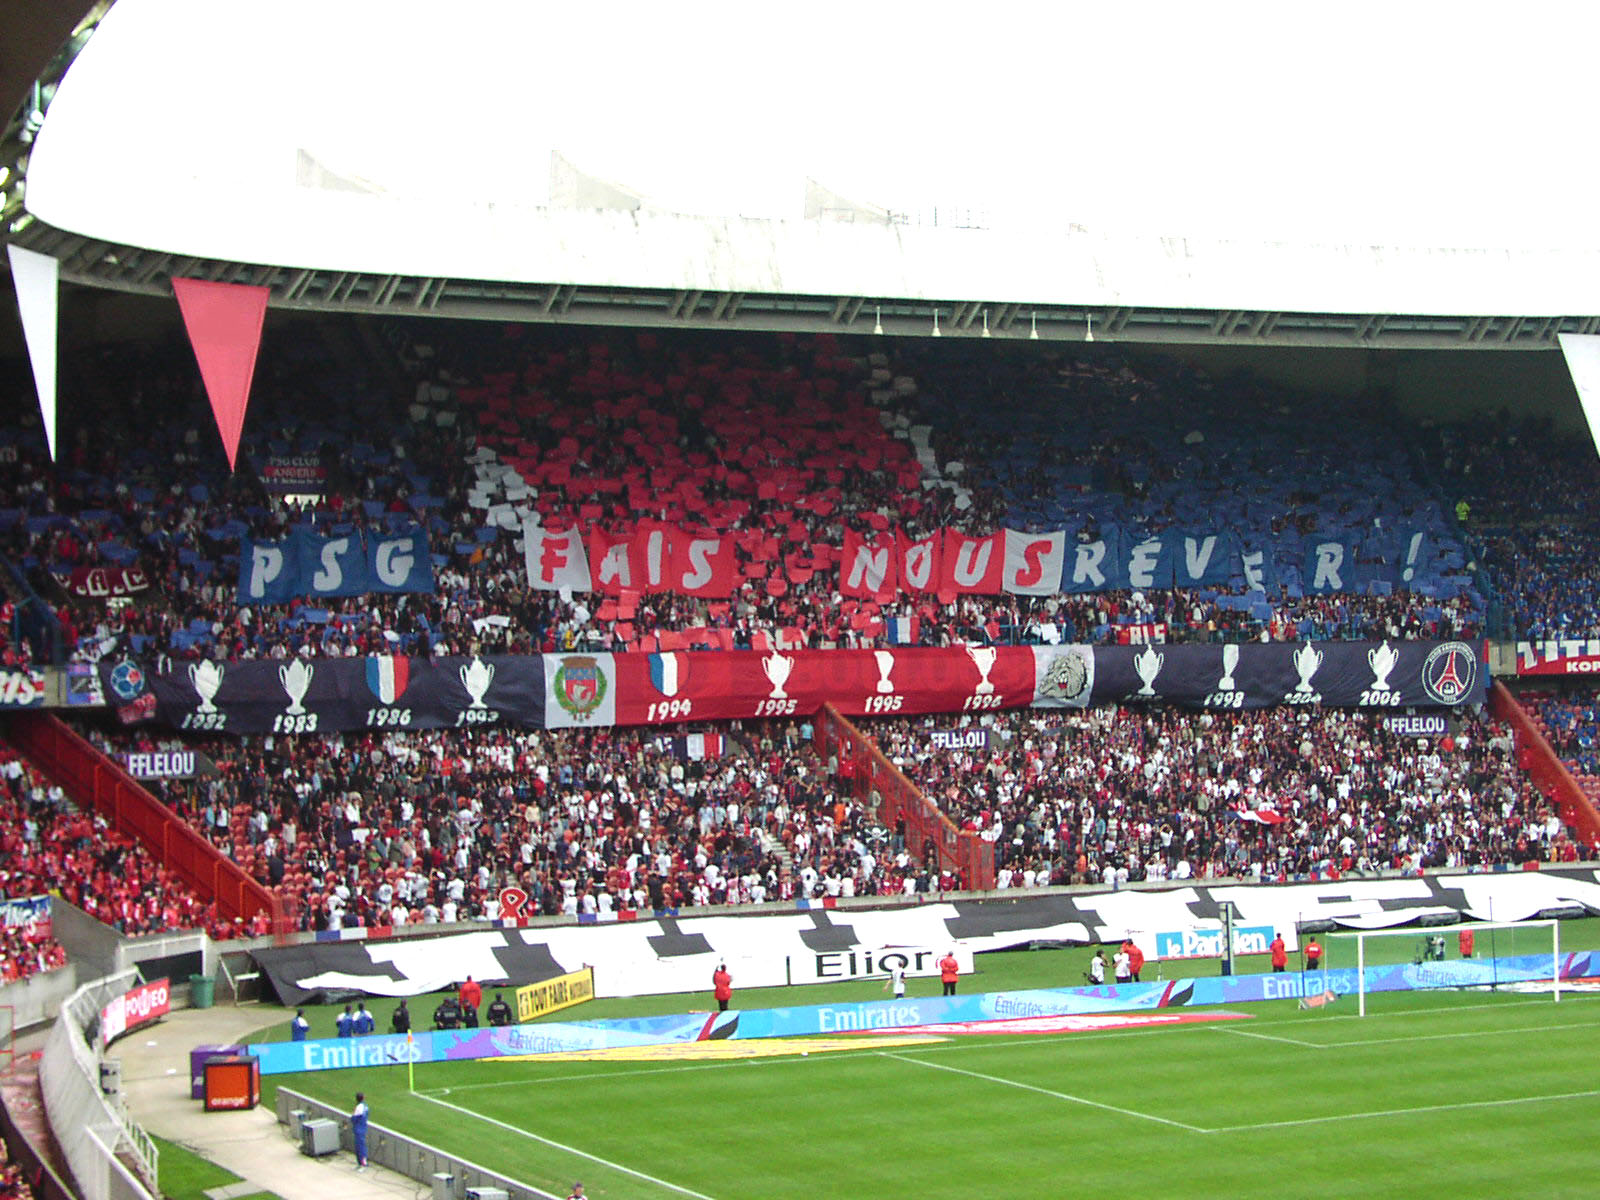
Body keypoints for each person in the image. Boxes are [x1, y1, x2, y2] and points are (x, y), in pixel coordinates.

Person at [349, 1092, 369, 1170]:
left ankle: (363, 1164)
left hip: (359, 1129)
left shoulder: (358, 1107)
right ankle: (360, 1163)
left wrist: (353, 1116)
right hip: (362, 1127)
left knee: (360, 1147)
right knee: (360, 1146)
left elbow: (353, 1118)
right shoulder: (365, 1106)